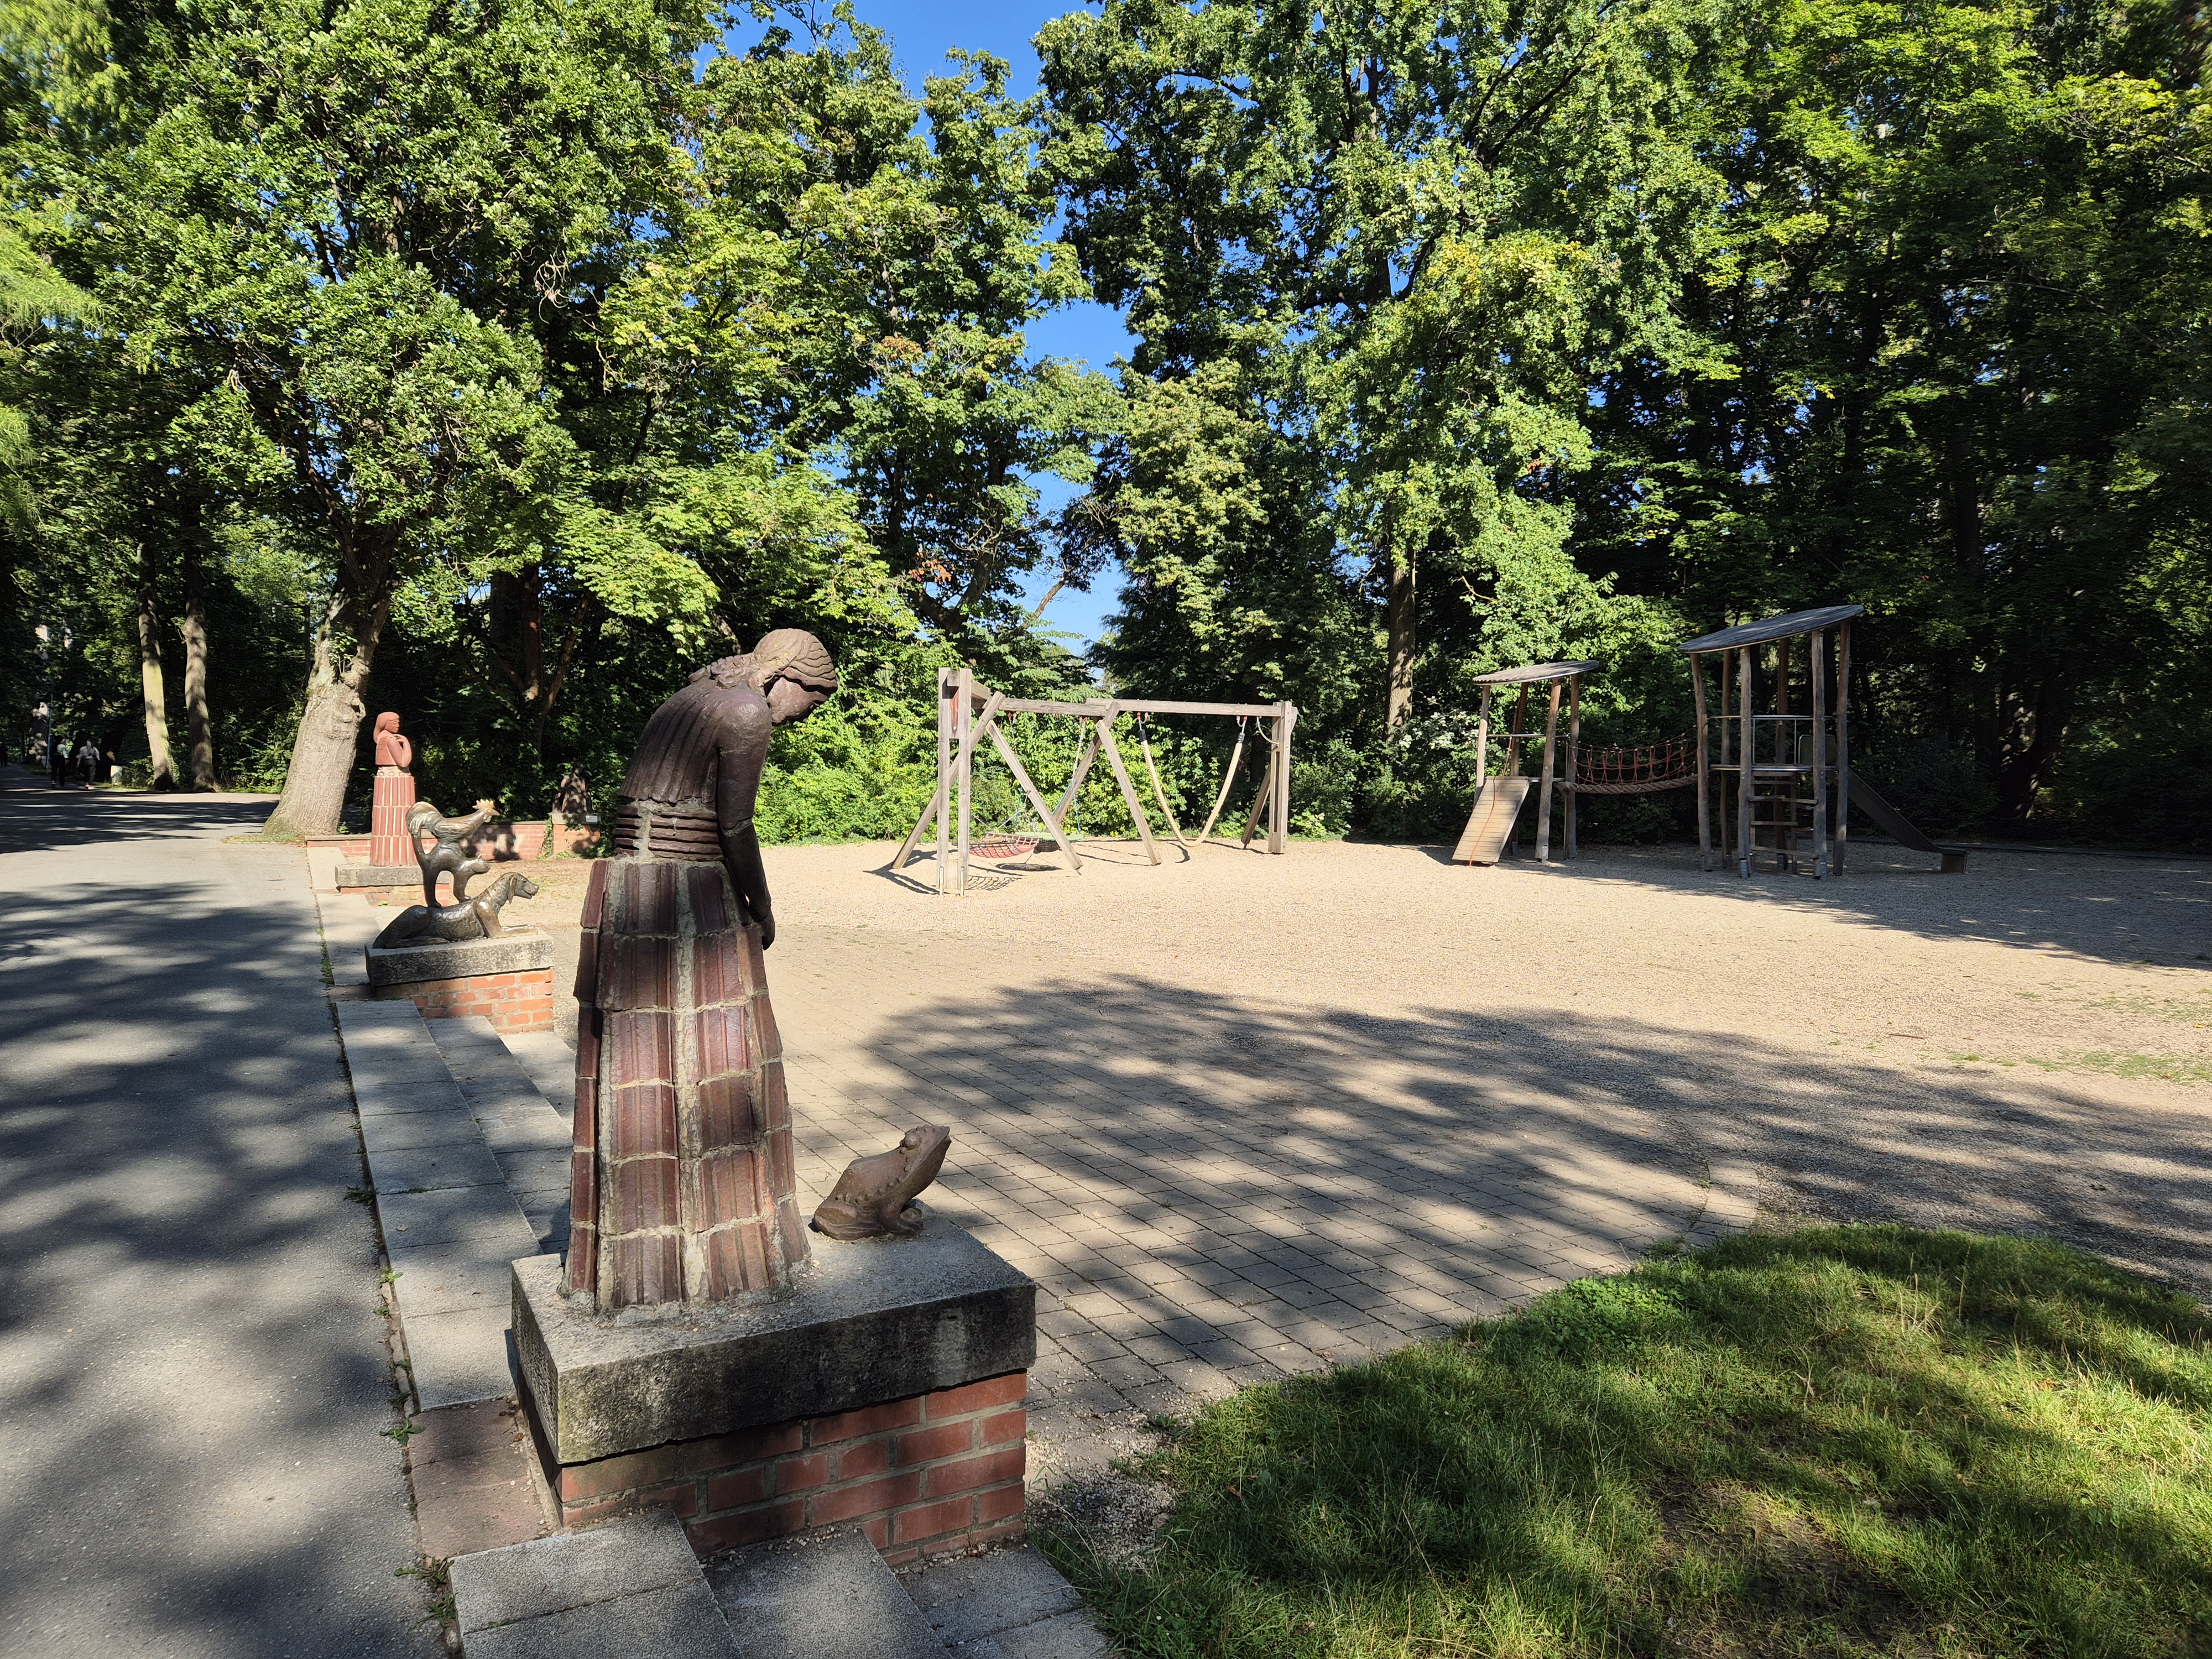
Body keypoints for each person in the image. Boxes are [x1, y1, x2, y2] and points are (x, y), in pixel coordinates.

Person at [567, 630, 838, 1313]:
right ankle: (720, 1262)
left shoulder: (691, 696)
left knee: (636, 1070)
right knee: (711, 1064)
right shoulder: (745, 710)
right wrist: (761, 903)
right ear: (785, 677)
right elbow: (736, 826)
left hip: (630, 885)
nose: (805, 714)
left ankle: (634, 1261)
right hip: (689, 892)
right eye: (811, 698)